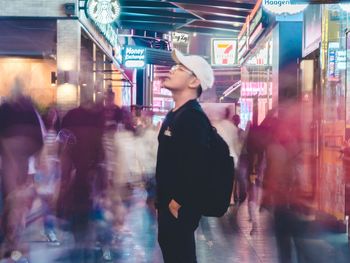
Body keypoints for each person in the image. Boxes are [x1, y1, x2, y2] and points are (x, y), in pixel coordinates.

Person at [155, 49, 214, 263]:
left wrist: (178, 201)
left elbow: (199, 165)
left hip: (178, 206)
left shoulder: (193, 118)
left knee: (181, 256)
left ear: (193, 81)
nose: (171, 71)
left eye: (179, 68)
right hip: (167, 205)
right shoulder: (175, 115)